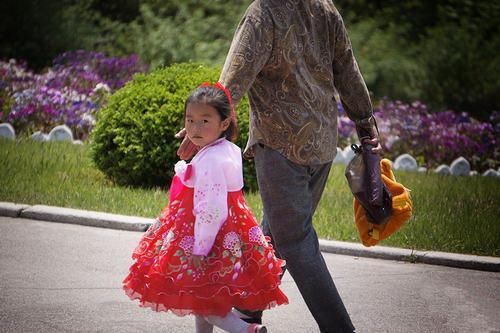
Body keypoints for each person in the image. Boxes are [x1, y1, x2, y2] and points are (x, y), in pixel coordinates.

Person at [177, 1, 383, 332]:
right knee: (274, 234)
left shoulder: (263, 13)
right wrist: (364, 120)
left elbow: (236, 74)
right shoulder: (324, 7)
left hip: (281, 144)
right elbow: (348, 69)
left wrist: (201, 129)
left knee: (295, 241)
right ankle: (247, 308)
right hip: (321, 144)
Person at [123, 82, 288, 333]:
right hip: (230, 229)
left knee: (207, 305)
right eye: (190, 120)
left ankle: (248, 331)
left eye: (204, 121)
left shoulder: (210, 159)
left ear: (224, 123)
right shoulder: (227, 149)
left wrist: (201, 247)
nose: (195, 128)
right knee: (202, 295)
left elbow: (211, 210)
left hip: (209, 236)